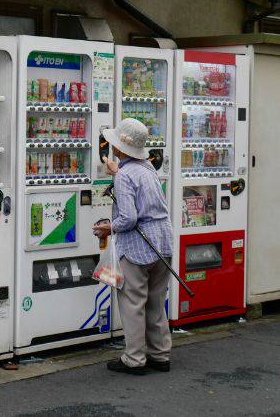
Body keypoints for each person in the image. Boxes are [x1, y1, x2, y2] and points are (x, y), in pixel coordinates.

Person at [93, 118, 173, 375]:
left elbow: (128, 218)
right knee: (156, 302)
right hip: (162, 243)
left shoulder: (125, 176)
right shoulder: (148, 168)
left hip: (137, 248)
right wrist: (117, 174)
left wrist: (108, 227)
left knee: (133, 304)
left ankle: (134, 359)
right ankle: (160, 355)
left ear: (118, 148)